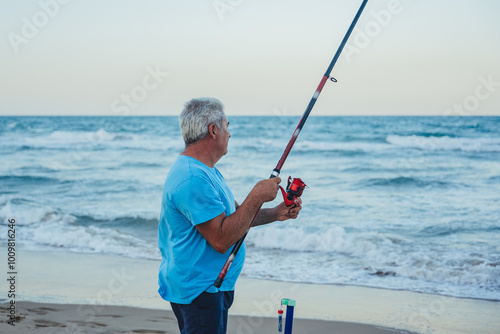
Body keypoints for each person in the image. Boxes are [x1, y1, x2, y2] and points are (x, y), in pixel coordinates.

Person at [158, 97, 302, 334]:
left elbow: (235, 219)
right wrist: (256, 195)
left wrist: (276, 213)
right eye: (226, 126)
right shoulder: (192, 178)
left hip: (212, 287)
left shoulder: (207, 171)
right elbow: (222, 240)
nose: (229, 133)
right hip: (199, 290)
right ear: (213, 131)